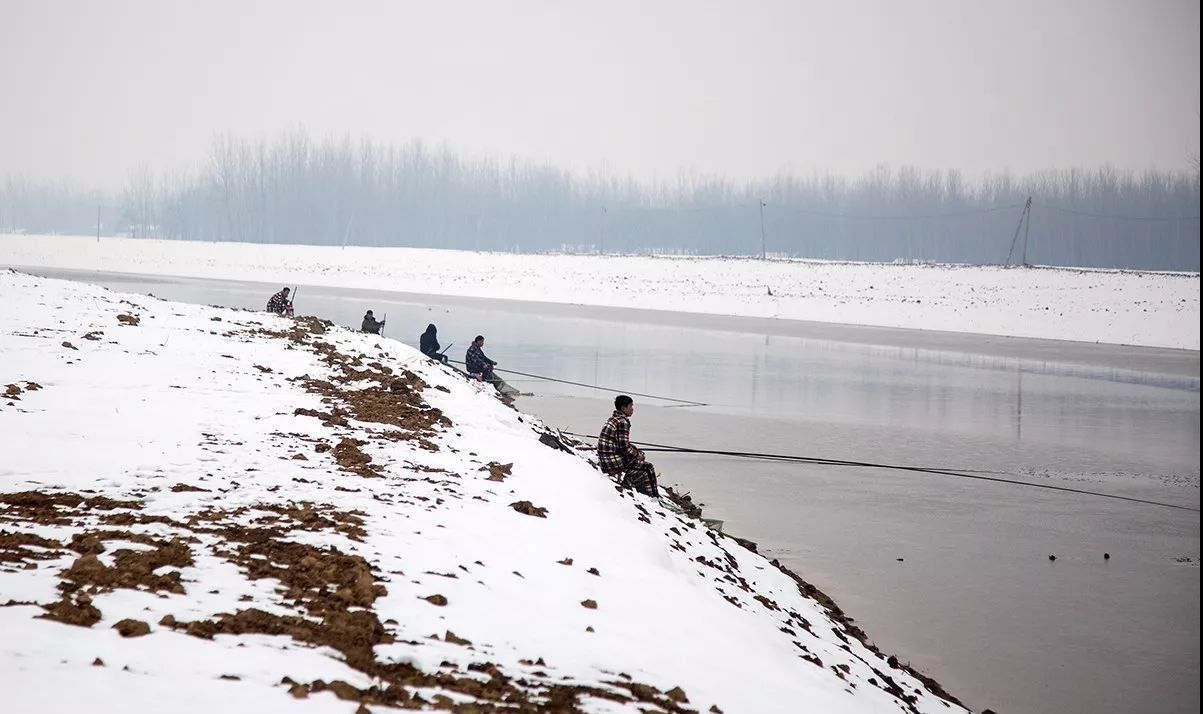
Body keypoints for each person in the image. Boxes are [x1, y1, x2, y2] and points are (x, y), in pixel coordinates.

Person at [597, 395, 659, 498]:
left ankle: (633, 484)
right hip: (610, 463)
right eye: (630, 406)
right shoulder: (623, 422)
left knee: (639, 461)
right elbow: (624, 448)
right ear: (623, 408)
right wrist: (638, 454)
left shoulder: (614, 419)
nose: (632, 409)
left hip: (605, 460)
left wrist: (636, 451)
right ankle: (653, 498)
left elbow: (622, 444)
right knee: (647, 467)